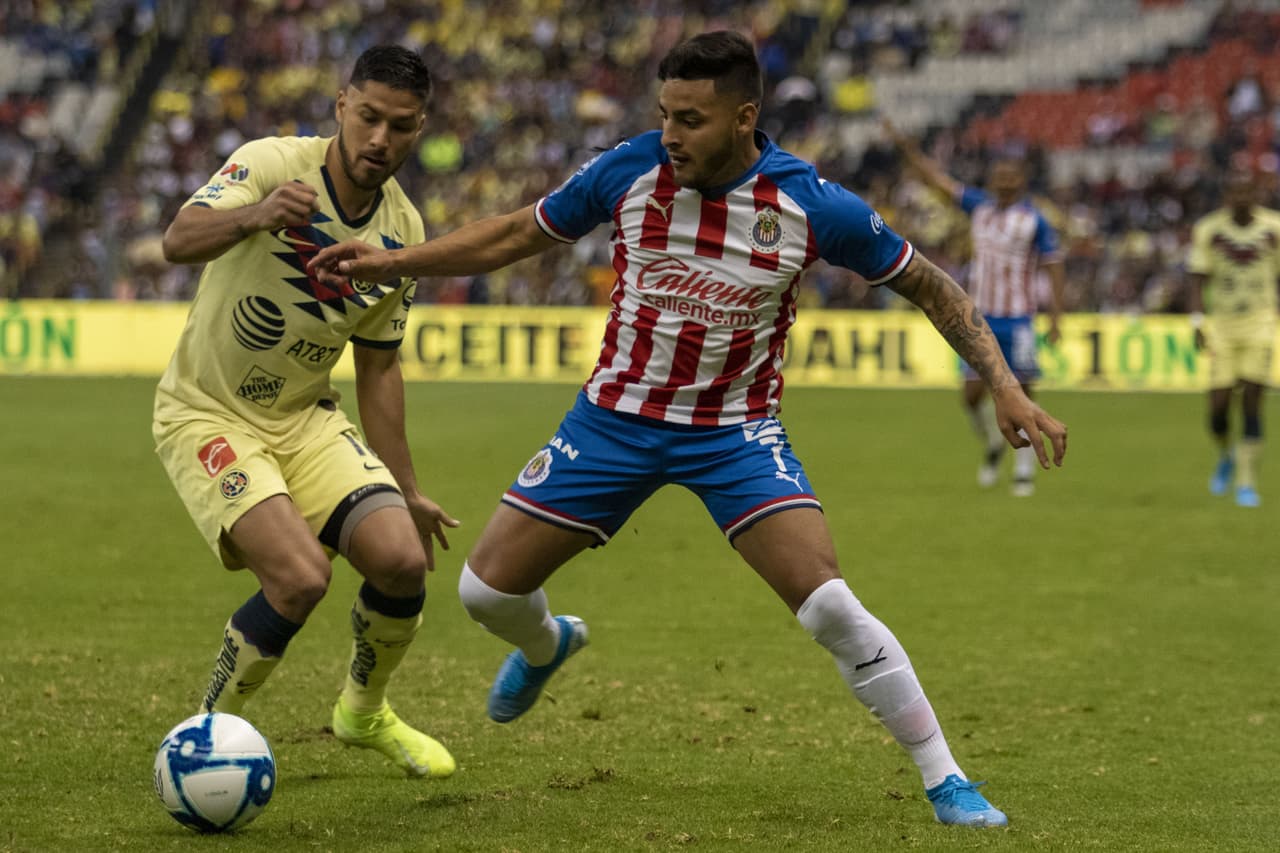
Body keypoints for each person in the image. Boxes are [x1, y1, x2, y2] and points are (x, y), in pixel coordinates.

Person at [311, 31, 1067, 826]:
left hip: (734, 433)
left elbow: (929, 283)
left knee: (830, 605)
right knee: (484, 592)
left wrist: (1005, 386)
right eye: (665, 114)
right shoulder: (627, 171)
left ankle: (947, 779)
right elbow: (511, 234)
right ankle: (547, 644)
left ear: (745, 118)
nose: (670, 135)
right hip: (611, 422)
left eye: (692, 119)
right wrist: (396, 262)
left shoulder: (811, 204)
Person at [153, 45, 458, 778]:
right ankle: (205, 739)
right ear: (340, 106)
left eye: (402, 126)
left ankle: (363, 711)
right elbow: (175, 240)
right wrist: (255, 215)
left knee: (400, 559)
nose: (381, 139)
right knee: (298, 578)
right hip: (207, 411)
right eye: (370, 117)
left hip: (303, 415)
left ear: (420, 130)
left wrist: (406, 485)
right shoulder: (270, 163)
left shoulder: (402, 230)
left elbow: (379, 366)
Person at [885, 120, 1065, 496]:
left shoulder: (1035, 220)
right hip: (978, 317)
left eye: (1009, 175)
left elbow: (1053, 266)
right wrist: (905, 146)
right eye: (998, 174)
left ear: (1022, 179)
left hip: (1018, 319)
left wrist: (1056, 316)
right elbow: (936, 180)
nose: (1002, 180)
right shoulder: (979, 207)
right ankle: (996, 442)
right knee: (970, 397)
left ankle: (1024, 465)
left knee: (1026, 391)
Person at [1187, 168, 1280, 508]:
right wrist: (1197, 320)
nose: (1241, 197)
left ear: (1257, 193)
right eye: (1235, 191)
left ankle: (1246, 480)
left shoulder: (1274, 228)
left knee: (1253, 398)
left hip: (1261, 321)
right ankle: (1226, 452)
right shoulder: (1209, 230)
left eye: (1247, 191)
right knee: (1219, 407)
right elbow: (1197, 277)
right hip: (1222, 326)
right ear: (1227, 195)